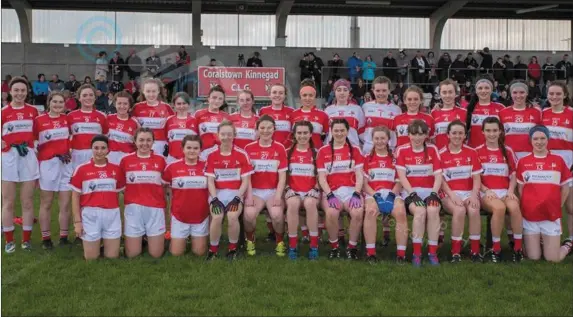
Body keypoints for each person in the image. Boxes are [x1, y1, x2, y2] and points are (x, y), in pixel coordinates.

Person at [516, 125, 572, 262]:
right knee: (533, 257)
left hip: (550, 215)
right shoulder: (523, 162)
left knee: (553, 259)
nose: (539, 142)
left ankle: (568, 245)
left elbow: (565, 188)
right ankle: (539, 241)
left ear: (548, 139)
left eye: (542, 138)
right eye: (535, 138)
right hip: (530, 216)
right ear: (531, 140)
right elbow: (520, 189)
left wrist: (557, 206)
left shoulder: (558, 160)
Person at [395, 120, 442, 266]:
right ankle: (417, 253)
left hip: (430, 191)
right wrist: (412, 194)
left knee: (433, 211)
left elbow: (438, 175)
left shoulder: (433, 149)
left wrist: (434, 193)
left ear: (426, 135)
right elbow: (402, 177)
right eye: (414, 134)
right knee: (420, 212)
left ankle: (432, 253)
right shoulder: (401, 150)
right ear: (408, 135)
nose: (417, 138)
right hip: (411, 193)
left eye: (421, 134)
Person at [476, 117, 523, 262]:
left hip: (504, 191)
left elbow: (513, 174)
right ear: (482, 132)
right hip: (486, 193)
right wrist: (486, 190)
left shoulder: (507, 150)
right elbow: (475, 177)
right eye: (488, 130)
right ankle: (495, 249)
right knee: (499, 208)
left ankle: (517, 248)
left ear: (500, 131)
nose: (491, 134)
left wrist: (510, 191)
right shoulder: (477, 151)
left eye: (495, 130)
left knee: (514, 208)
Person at [70, 134, 124, 260]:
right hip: (90, 215)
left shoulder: (116, 169)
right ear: (91, 149)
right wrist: (77, 222)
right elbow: (75, 197)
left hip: (112, 214)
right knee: (91, 258)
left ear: (108, 150)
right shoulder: (81, 169)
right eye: (96, 148)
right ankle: (97, 244)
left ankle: (107, 243)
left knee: (112, 257)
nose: (99, 151)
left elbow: (122, 193)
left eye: (103, 148)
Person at [1, 77, 40, 253]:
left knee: (27, 202)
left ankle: (26, 240)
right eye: (16, 90)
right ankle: (9, 240)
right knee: (8, 201)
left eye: (22, 91)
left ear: (27, 92)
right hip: (9, 157)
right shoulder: (3, 112)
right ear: (10, 92)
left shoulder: (33, 111)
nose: (19, 93)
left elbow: (38, 136)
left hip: (28, 156)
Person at [204, 121, 253, 260]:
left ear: (234, 135)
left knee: (232, 216)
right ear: (218, 135)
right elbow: (210, 181)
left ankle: (232, 249)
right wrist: (214, 199)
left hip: (235, 193)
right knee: (217, 216)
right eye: (223, 134)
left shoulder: (242, 154)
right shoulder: (212, 155)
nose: (226, 137)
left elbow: (245, 180)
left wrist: (238, 197)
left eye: (229, 134)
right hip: (217, 193)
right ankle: (213, 250)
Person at [317, 118, 364, 260]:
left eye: (342, 130)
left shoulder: (355, 149)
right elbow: (322, 177)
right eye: (336, 130)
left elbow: (359, 174)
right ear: (331, 132)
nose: (339, 133)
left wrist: (356, 193)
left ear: (347, 131)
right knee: (331, 213)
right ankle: (334, 247)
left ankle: (352, 247)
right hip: (332, 192)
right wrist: (330, 195)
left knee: (357, 213)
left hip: (351, 190)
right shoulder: (323, 151)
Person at [243, 115, 288, 256]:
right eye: (262, 128)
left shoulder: (280, 148)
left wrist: (278, 196)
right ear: (257, 129)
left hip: (273, 190)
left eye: (269, 127)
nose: (266, 130)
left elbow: (282, 177)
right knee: (249, 215)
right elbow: (247, 176)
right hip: (255, 191)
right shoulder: (248, 148)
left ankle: (279, 241)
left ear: (274, 129)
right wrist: (249, 196)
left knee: (277, 215)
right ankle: (250, 239)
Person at [439, 120, 483, 262]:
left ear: (465, 135)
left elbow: (476, 177)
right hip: (448, 193)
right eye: (454, 133)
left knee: (474, 210)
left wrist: (474, 195)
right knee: (459, 210)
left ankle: (475, 250)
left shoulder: (472, 152)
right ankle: (456, 252)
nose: (457, 136)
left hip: (468, 192)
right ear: (448, 135)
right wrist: (452, 195)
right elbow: (441, 180)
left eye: (460, 133)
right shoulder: (441, 154)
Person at [362, 126, 408, 263]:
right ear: (372, 140)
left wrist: (391, 196)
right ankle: (371, 253)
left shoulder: (395, 157)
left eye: (383, 138)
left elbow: (400, 181)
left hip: (392, 193)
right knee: (370, 211)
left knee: (400, 212)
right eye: (377, 138)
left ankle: (401, 255)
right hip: (373, 193)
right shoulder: (367, 158)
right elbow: (364, 184)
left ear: (388, 139)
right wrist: (375, 196)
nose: (380, 141)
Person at [119, 127, 167, 258]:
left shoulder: (161, 160)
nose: (144, 143)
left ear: (153, 142)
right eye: (141, 140)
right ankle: (138, 239)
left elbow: (165, 185)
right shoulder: (125, 160)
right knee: (133, 254)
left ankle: (147, 238)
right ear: (134, 141)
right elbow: (121, 185)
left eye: (148, 140)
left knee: (156, 254)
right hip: (134, 208)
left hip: (155, 208)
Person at [35, 92, 73, 249]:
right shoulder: (38, 121)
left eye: (61, 102)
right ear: (49, 102)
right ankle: (46, 239)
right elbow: (34, 146)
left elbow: (71, 139)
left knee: (65, 204)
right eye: (55, 102)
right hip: (48, 165)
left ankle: (64, 238)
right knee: (47, 202)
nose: (58, 105)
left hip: (65, 163)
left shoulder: (67, 119)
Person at [162, 135, 209, 256]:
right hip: (179, 216)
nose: (192, 151)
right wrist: (167, 211)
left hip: (201, 216)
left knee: (199, 253)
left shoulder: (207, 166)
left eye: (195, 148)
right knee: (176, 254)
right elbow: (165, 188)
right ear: (183, 149)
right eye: (188, 147)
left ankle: (193, 239)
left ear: (200, 150)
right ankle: (176, 239)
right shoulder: (172, 167)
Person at [541, 81, 573, 244]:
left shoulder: (571, 114)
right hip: (549, 166)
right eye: (551, 94)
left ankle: (571, 239)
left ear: (565, 95)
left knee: (570, 206)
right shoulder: (543, 114)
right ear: (547, 96)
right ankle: (549, 235)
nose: (554, 97)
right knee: (549, 201)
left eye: (558, 94)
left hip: (569, 164)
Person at [284, 121, 321, 260]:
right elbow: (283, 174)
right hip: (293, 190)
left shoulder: (316, 153)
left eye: (305, 133)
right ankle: (293, 246)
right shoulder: (287, 153)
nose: (302, 135)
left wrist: (316, 188)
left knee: (310, 204)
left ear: (311, 134)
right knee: (293, 205)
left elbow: (322, 175)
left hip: (311, 190)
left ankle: (313, 245)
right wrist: (287, 188)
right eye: (299, 133)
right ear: (294, 134)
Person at [67, 84, 109, 171]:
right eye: (84, 95)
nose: (88, 98)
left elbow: (106, 137)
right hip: (77, 155)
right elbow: (66, 136)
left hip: (96, 154)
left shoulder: (102, 116)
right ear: (79, 98)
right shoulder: (71, 116)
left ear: (95, 97)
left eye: (91, 95)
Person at [130, 78, 174, 158]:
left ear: (158, 91)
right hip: (142, 144)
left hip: (161, 146)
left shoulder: (166, 107)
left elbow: (173, 127)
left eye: (154, 91)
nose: (151, 94)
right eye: (148, 91)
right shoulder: (137, 107)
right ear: (143, 92)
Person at [499, 81, 542, 160]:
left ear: (527, 93)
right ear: (511, 94)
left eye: (522, 92)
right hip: (509, 155)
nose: (518, 96)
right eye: (515, 92)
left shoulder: (536, 112)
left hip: (530, 155)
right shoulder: (503, 112)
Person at [360, 76, 402, 154]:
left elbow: (398, 133)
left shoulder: (397, 110)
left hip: (389, 151)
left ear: (389, 91)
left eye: (384, 90)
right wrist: (367, 142)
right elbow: (360, 129)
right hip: (369, 150)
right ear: (373, 91)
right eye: (378, 90)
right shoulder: (366, 106)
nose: (381, 93)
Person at [465, 78, 505, 148]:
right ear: (476, 91)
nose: (483, 91)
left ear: (491, 90)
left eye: (486, 88)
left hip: (494, 150)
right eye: (480, 88)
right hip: (474, 149)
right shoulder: (469, 108)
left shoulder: (500, 108)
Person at [324, 79, 365, 146]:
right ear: (334, 92)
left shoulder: (357, 109)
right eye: (339, 90)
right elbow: (326, 134)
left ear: (349, 92)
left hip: (352, 150)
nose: (342, 93)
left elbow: (362, 132)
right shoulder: (328, 110)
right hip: (333, 150)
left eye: (345, 90)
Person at [290, 81, 329, 149]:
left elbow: (328, 136)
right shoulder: (293, 114)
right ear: (300, 97)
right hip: (297, 153)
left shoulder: (323, 115)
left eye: (311, 95)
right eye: (304, 95)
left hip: (317, 154)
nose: (307, 98)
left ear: (315, 97)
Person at [431, 79, 468, 150]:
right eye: (444, 92)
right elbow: (432, 138)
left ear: (456, 94)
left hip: (459, 154)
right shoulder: (434, 112)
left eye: (450, 92)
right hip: (440, 155)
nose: (447, 95)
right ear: (440, 94)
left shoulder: (464, 112)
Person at [162, 92, 198, 164]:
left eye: (184, 103)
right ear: (174, 105)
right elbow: (165, 139)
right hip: (172, 158)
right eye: (178, 104)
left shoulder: (194, 120)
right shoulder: (169, 120)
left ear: (188, 104)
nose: (181, 106)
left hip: (190, 159)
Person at [107, 91, 139, 165]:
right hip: (110, 158)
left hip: (127, 158)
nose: (122, 106)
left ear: (129, 106)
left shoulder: (135, 123)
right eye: (119, 103)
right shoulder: (108, 118)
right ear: (115, 104)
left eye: (125, 104)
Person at [195, 85, 231, 153]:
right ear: (208, 98)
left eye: (220, 99)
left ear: (223, 101)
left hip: (220, 153)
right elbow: (194, 135)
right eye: (214, 98)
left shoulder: (226, 117)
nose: (217, 101)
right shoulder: (199, 114)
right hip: (202, 153)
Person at [259, 84, 295, 149]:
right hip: (268, 148)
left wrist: (286, 145)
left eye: (281, 93)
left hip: (286, 149)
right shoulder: (263, 111)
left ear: (285, 96)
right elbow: (259, 131)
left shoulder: (291, 111)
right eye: (274, 92)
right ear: (270, 95)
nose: (277, 95)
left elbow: (293, 132)